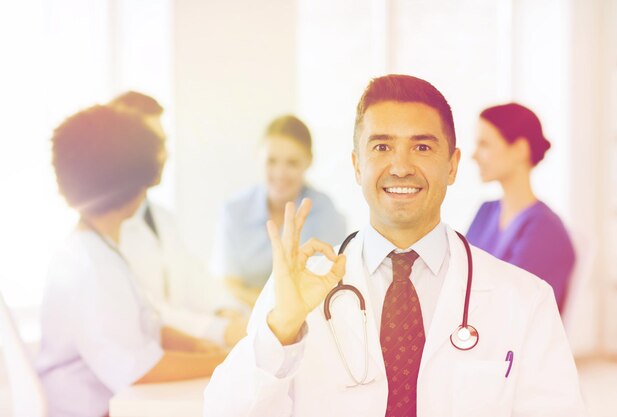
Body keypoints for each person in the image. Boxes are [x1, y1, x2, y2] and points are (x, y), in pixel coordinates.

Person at [203, 75, 586, 416]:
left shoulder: (525, 299)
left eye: (422, 148)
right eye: (382, 147)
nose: (400, 167)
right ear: (356, 165)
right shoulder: (295, 291)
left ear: (452, 166)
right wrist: (281, 329)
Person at [37, 106, 228, 417]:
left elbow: (143, 328)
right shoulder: (92, 265)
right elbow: (138, 368)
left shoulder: (95, 250)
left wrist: (197, 346)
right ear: (134, 180)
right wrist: (223, 361)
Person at [110, 91, 247, 347]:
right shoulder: (108, 231)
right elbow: (144, 311)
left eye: (164, 143)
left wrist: (226, 310)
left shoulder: (162, 218)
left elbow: (191, 276)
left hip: (169, 355)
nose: (165, 155)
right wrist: (220, 330)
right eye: (154, 144)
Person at [212, 114, 346, 306]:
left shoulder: (326, 212)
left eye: (292, 163)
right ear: (258, 156)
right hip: (245, 318)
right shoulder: (234, 211)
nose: (280, 173)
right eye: (271, 161)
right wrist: (273, 310)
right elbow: (229, 284)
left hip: (308, 317)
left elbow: (328, 282)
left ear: (308, 161)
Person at [466, 103, 576, 311]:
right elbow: (460, 274)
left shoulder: (544, 229)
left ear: (519, 150)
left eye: (485, 144)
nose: (474, 155)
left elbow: (514, 308)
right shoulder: (487, 211)